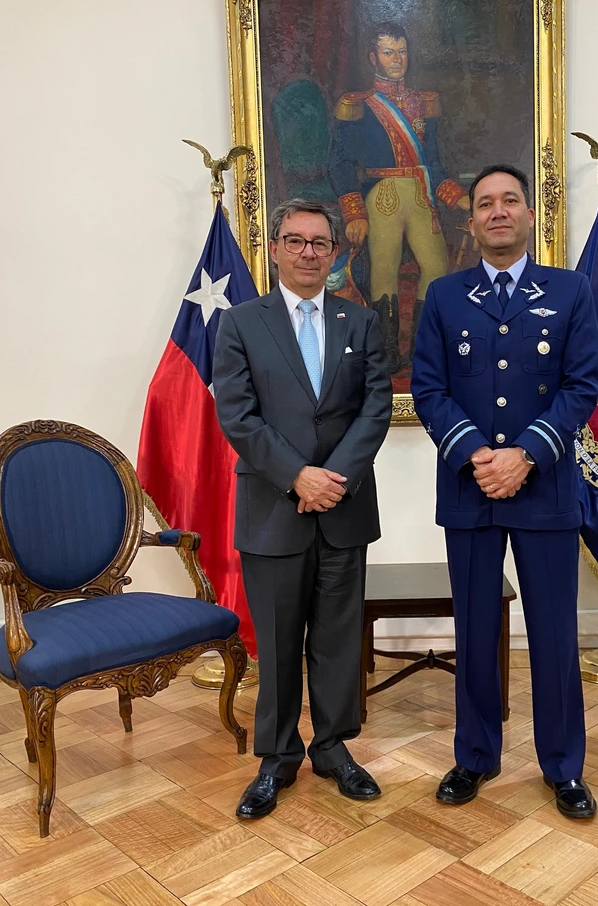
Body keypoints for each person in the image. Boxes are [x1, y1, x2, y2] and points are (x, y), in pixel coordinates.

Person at [410, 164, 598, 817]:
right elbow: (428, 388)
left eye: (510, 200)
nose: (498, 211)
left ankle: (563, 767)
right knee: (475, 630)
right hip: (470, 490)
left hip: (544, 488)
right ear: (470, 222)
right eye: (486, 203)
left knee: (553, 634)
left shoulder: (571, 290)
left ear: (528, 215)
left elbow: (581, 385)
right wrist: (477, 455)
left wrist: (526, 455)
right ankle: (474, 756)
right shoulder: (444, 295)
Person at [213, 198, 393, 819]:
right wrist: (297, 477)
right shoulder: (240, 323)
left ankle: (334, 748)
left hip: (344, 506)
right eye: (295, 241)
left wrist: (331, 479)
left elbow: (375, 407)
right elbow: (237, 415)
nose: (308, 252)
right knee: (279, 639)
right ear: (275, 249)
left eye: (320, 243)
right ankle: (277, 756)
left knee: (338, 639)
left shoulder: (360, 322)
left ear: (335, 252)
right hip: (273, 509)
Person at [330, 21, 471, 373]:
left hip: (421, 193)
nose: (397, 59)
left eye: (402, 51)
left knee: (436, 268)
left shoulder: (425, 102)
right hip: (383, 194)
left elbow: (433, 162)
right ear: (373, 57)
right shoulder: (357, 105)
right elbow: (340, 164)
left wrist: (459, 198)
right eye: (389, 52)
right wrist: (354, 213)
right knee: (384, 270)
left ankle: (424, 347)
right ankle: (388, 351)